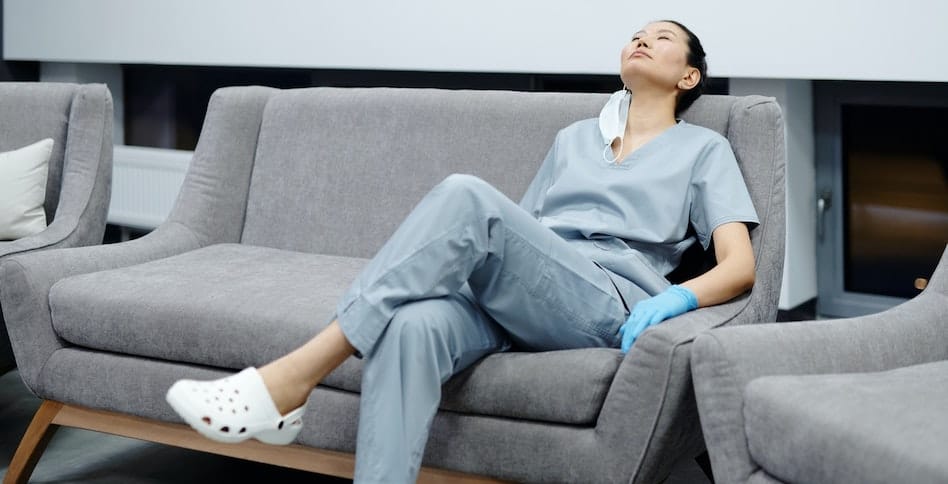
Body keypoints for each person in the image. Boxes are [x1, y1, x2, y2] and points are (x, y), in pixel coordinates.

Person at [166, 19, 758, 483]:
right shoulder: (574, 139)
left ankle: (290, 379)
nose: (642, 41)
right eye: (636, 35)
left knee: (467, 196)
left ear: (689, 77)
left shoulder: (703, 149)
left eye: (662, 39)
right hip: (531, 293)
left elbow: (740, 266)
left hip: (604, 300)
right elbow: (521, 232)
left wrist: (675, 298)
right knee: (412, 326)